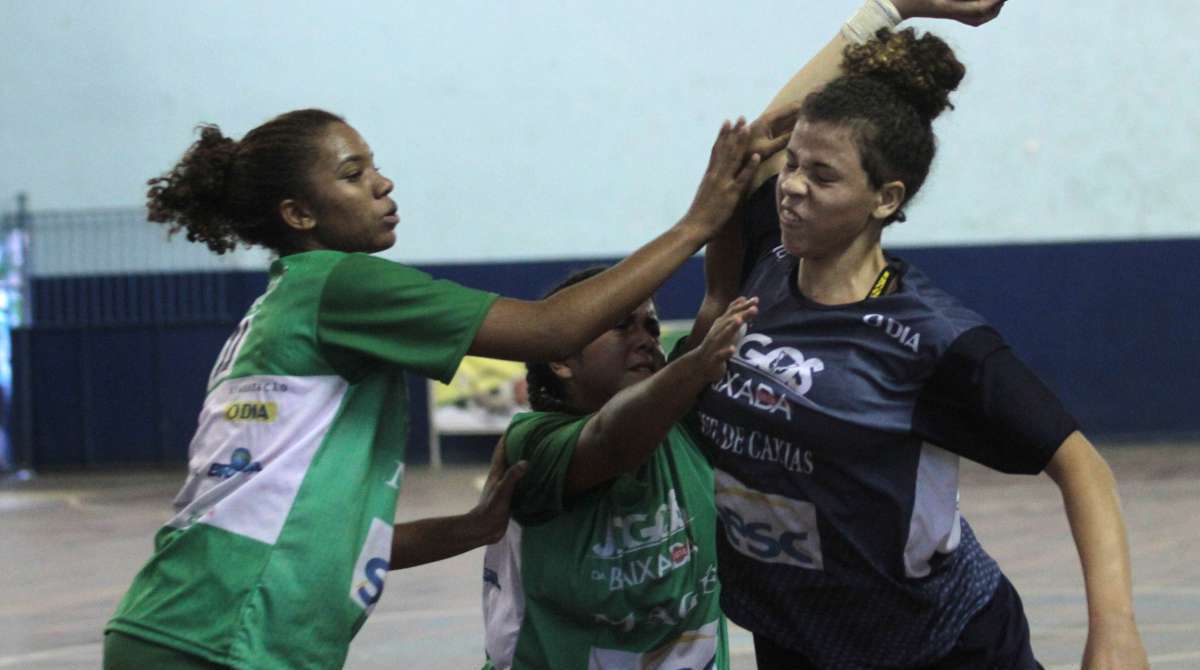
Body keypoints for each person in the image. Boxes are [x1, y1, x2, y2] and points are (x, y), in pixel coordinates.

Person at [103, 108, 777, 670]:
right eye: (353, 174)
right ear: (299, 213)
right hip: (224, 633)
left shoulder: (286, 308)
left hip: (192, 623)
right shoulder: (339, 283)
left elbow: (325, 540)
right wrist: (696, 222)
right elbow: (549, 328)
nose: (382, 183)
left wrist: (467, 529)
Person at [688, 2, 1151, 669]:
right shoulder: (766, 261)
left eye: (823, 176)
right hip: (796, 632)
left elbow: (1084, 469)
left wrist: (1114, 629)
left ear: (886, 198)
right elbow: (757, 145)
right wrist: (892, 8)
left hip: (936, 643)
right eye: (793, 166)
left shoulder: (932, 338)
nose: (792, 187)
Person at [481, 267, 758, 670]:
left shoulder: (682, 419)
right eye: (621, 325)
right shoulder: (530, 444)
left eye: (652, 326)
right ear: (561, 359)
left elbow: (720, 293)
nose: (646, 338)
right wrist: (696, 365)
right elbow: (611, 443)